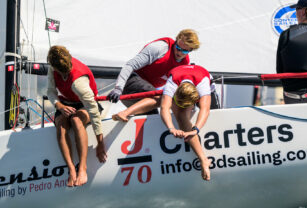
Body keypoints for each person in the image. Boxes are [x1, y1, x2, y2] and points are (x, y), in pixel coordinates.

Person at [107, 29, 199, 122]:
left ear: (191, 50)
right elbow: (130, 65)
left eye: (185, 51)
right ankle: (124, 113)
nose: (179, 53)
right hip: (129, 83)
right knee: (161, 97)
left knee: (152, 120)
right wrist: (118, 88)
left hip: (145, 95)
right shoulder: (160, 47)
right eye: (178, 48)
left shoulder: (185, 63)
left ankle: (126, 119)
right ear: (176, 41)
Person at [46, 45, 106, 187]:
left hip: (85, 104)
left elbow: (94, 112)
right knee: (61, 125)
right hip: (65, 103)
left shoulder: (79, 82)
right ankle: (72, 170)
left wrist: (100, 143)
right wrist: (60, 106)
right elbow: (50, 91)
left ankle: (82, 169)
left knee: (76, 121)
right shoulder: (53, 66)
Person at [160, 64, 214, 181]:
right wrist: (171, 128)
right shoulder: (172, 83)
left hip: (200, 80)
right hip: (180, 81)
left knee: (201, 112)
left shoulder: (203, 84)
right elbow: (164, 108)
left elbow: (205, 109)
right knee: (181, 116)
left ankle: (203, 160)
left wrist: (196, 130)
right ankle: (203, 159)